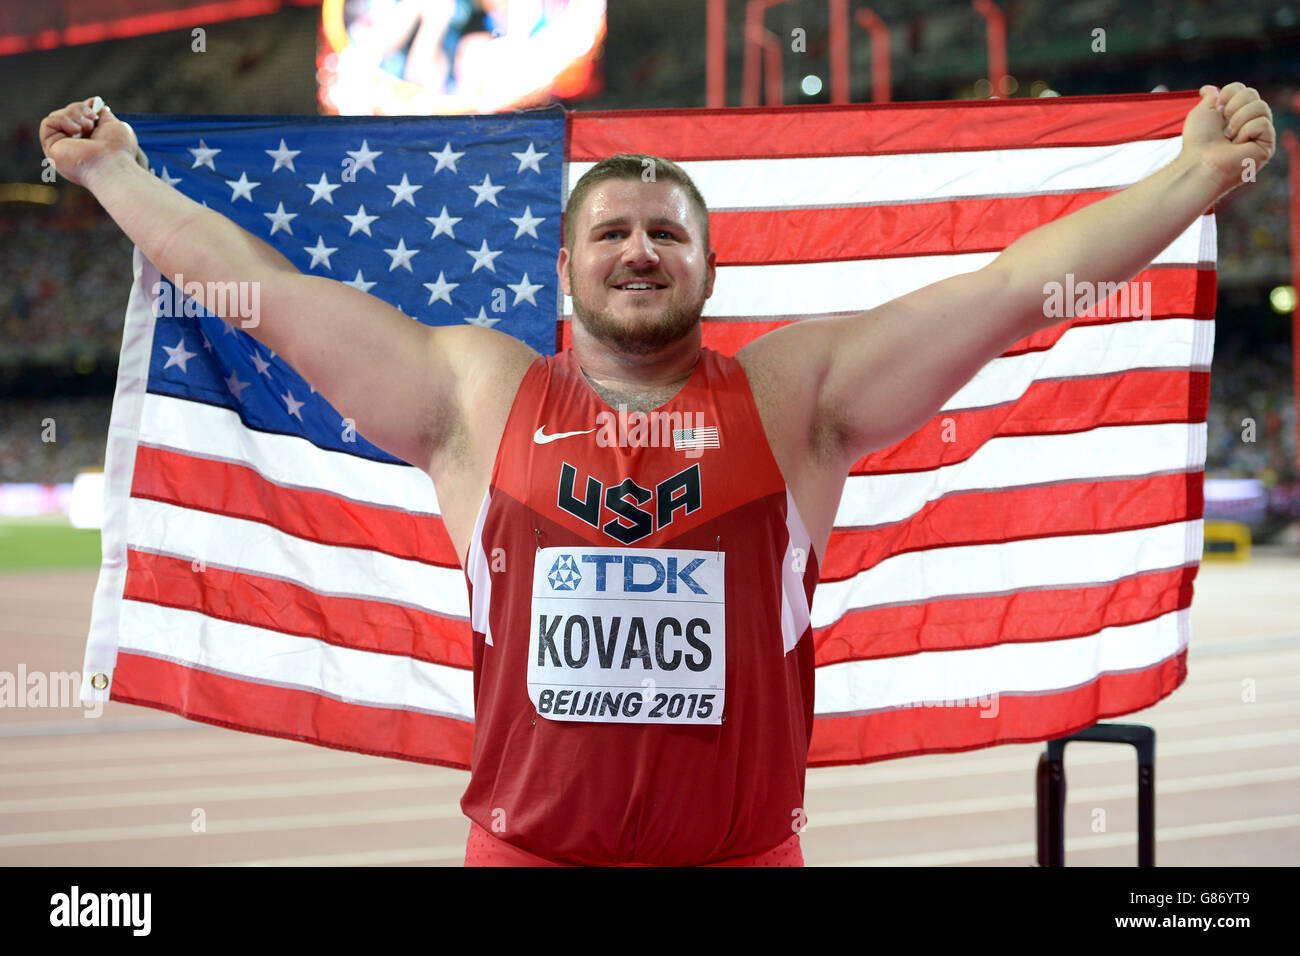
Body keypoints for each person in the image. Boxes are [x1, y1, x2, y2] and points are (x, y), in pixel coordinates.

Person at [40, 83, 1274, 866]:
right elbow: (271, 301)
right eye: (612, 232)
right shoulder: (476, 393)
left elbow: (1008, 295)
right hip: (526, 858)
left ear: (707, 268)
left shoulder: (797, 398)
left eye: (665, 232)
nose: (639, 250)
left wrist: (1192, 177)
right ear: (566, 266)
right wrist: (116, 176)